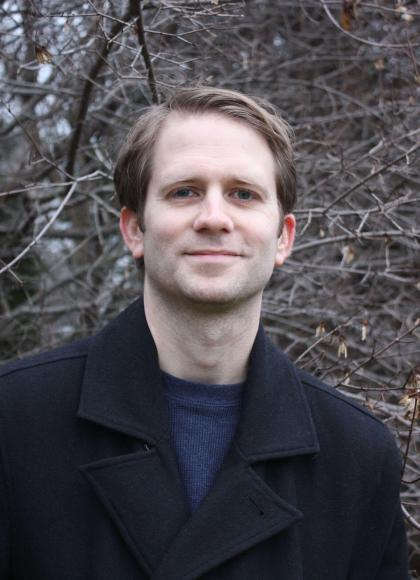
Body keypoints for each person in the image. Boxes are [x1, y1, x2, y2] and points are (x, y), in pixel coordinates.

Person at [0, 86, 409, 579]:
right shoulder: (14, 421)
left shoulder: (358, 457)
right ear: (134, 230)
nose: (214, 218)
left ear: (283, 237)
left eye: (243, 194)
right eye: (184, 191)